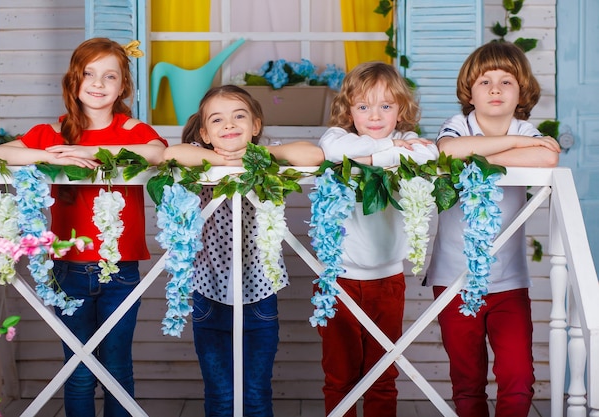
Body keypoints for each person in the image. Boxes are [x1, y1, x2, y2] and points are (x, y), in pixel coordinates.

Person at [0, 37, 167, 417]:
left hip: (122, 266)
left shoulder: (131, 128)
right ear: (74, 79)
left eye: (110, 76)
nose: (99, 83)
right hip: (67, 268)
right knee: (79, 368)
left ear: (123, 87)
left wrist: (89, 153)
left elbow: (158, 152)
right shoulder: (52, 133)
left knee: (117, 368)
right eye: (89, 74)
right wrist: (50, 154)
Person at [163, 84, 324, 417]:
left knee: (255, 394)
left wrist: (257, 157)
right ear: (205, 133)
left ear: (256, 126)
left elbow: (314, 155)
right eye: (218, 120)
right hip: (209, 292)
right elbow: (171, 155)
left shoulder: (265, 158)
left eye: (239, 116)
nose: (229, 125)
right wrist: (220, 161)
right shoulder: (200, 159)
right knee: (221, 396)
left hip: (260, 294)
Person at [425, 41, 560, 417]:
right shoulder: (457, 127)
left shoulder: (525, 127)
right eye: (485, 81)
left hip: (509, 280)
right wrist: (515, 145)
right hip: (454, 277)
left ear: (522, 93)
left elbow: (546, 155)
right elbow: (448, 152)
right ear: (470, 92)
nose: (496, 89)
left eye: (506, 81)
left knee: (518, 377)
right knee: (467, 382)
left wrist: (483, 153)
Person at [317, 61, 439, 417]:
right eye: (363, 106)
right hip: (338, 279)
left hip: (387, 279)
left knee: (383, 373)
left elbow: (428, 152)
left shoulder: (409, 145)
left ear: (400, 110)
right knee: (340, 375)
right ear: (348, 109)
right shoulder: (339, 139)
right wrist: (384, 155)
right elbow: (331, 152)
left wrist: (373, 157)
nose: (374, 115)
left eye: (385, 106)